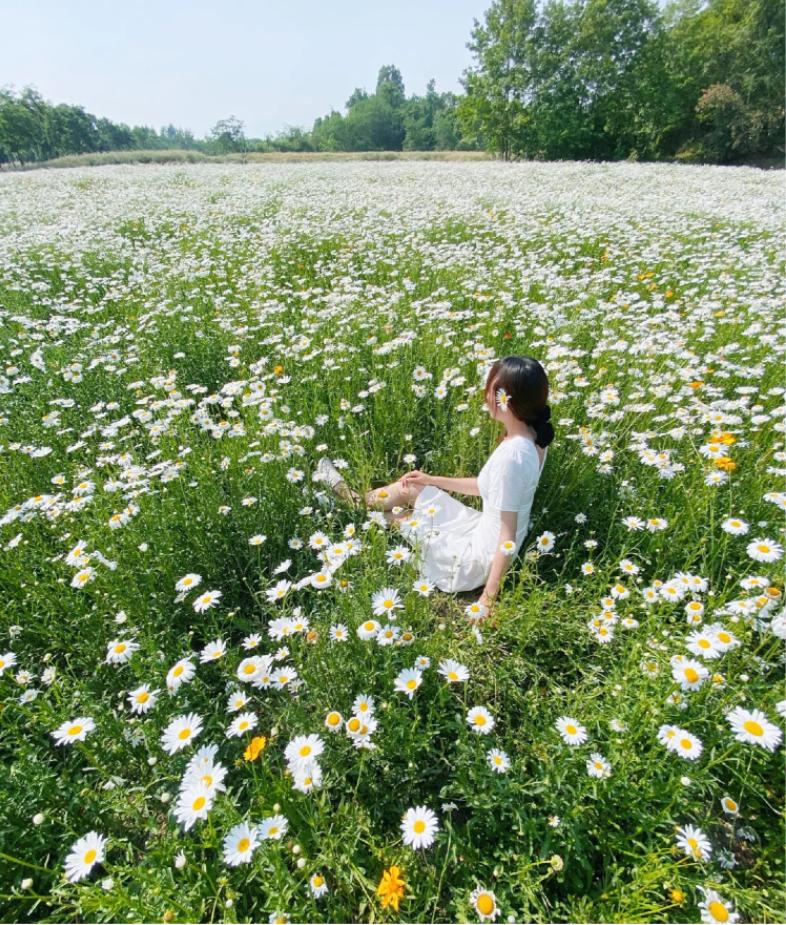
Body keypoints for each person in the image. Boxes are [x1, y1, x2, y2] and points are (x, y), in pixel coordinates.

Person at [316, 355, 554, 615]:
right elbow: (487, 487)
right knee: (411, 488)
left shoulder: (514, 456)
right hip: (482, 530)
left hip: (474, 559)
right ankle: (355, 501)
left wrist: (487, 598)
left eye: (490, 389)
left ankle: (355, 508)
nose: (485, 396)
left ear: (505, 399)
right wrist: (431, 480)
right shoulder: (533, 436)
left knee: (401, 517)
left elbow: (507, 535)